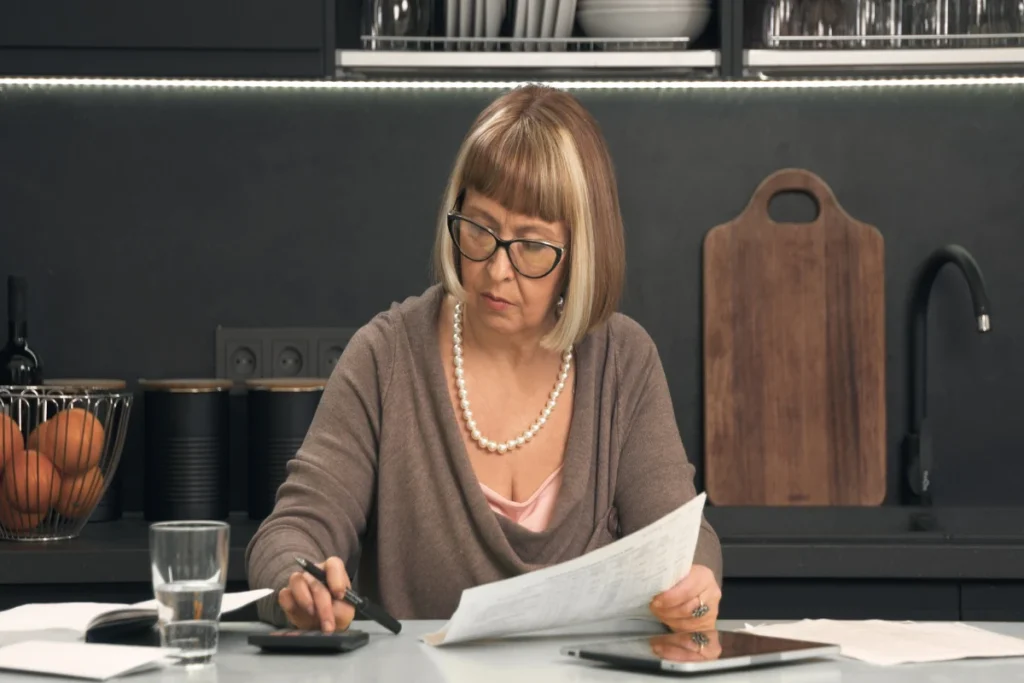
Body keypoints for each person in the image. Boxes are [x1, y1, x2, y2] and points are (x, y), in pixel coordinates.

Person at [245, 83, 723, 635]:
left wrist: (696, 582)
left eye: (532, 246)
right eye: (479, 229)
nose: (497, 270)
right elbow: (293, 531)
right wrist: (294, 584)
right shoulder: (386, 357)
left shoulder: (623, 361)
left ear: (581, 253)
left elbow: (682, 539)